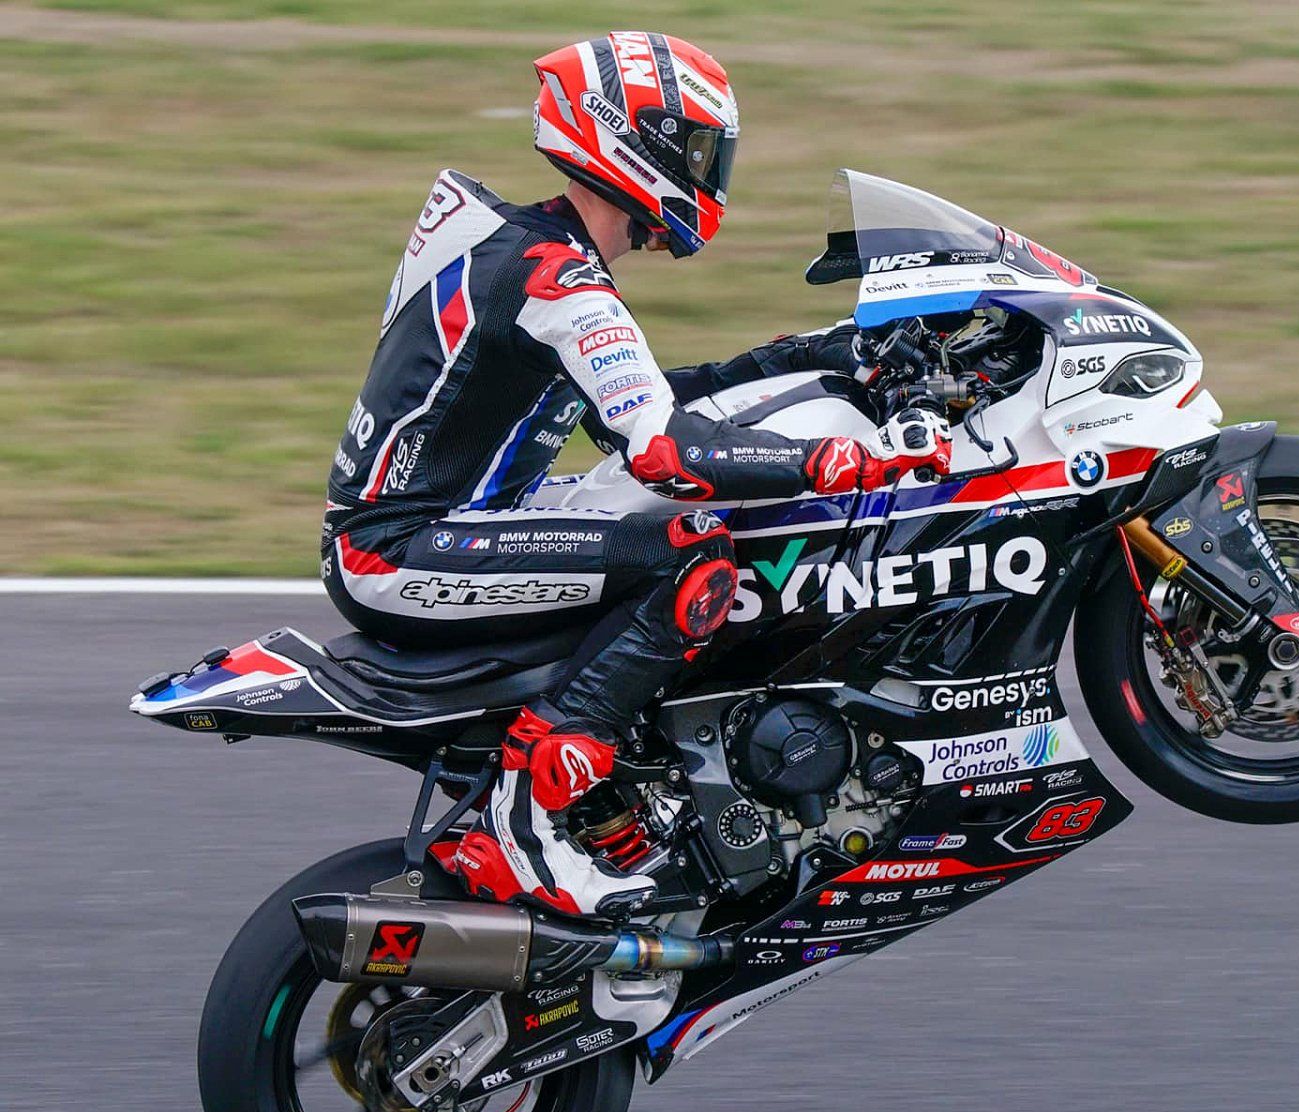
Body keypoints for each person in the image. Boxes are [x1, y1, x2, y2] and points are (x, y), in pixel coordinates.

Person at [320, 31, 951, 920]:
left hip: (446, 523)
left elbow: (639, 404)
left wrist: (805, 355)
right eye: (697, 152)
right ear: (629, 139)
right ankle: (528, 816)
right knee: (691, 551)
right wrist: (844, 459)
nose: (709, 174)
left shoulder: (531, 251)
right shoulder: (554, 275)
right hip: (400, 550)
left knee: (675, 524)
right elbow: (666, 451)